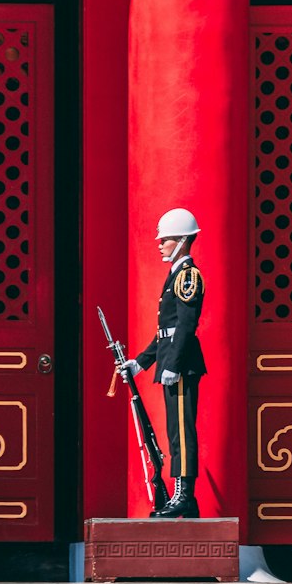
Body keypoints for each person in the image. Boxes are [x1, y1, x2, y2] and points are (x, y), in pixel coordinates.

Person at [122, 208, 206, 518]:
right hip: (172, 359)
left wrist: (173, 364)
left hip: (181, 365)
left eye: (165, 240)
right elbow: (165, 332)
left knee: (181, 432)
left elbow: (185, 327)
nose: (159, 244)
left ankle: (183, 495)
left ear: (182, 241)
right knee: (174, 428)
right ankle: (186, 498)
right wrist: (140, 363)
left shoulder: (187, 276)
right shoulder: (174, 275)